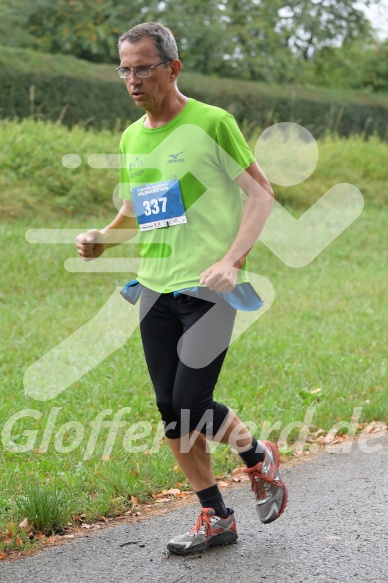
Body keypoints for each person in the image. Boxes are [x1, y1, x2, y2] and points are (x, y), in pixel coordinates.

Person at [76, 22, 288, 555]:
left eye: (143, 67)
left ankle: (257, 455)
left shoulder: (211, 123)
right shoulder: (132, 137)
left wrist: (231, 260)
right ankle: (216, 517)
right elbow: (138, 211)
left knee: (192, 403)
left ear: (173, 67)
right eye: (124, 69)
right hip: (154, 289)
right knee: (171, 411)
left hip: (210, 289)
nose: (132, 79)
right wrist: (104, 238)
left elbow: (261, 195)